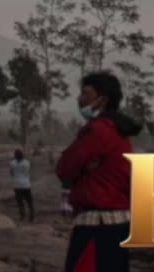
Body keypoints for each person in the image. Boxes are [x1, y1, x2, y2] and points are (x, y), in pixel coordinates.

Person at [56, 71, 142, 272]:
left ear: (101, 100)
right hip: (118, 223)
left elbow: (65, 168)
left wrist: (82, 170)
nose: (80, 99)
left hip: (96, 224)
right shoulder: (120, 131)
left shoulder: (98, 130)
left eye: (86, 94)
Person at [9, 149, 34, 222]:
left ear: (15, 156)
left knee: (20, 202)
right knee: (30, 202)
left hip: (17, 185)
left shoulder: (12, 163)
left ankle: (22, 216)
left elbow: (11, 173)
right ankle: (31, 216)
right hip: (26, 184)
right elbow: (28, 171)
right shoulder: (27, 163)